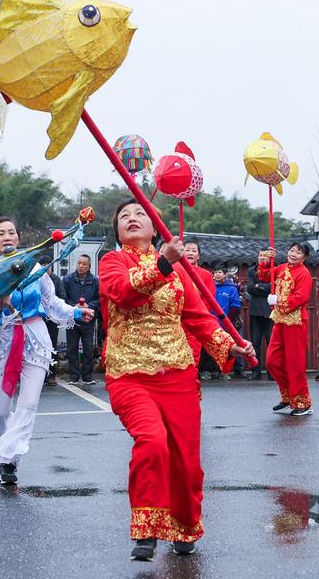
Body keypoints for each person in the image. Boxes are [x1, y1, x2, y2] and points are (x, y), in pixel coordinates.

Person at [99, 199, 254, 560]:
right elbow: (124, 293)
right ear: (117, 231)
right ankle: (146, 529)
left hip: (178, 374)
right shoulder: (112, 263)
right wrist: (164, 263)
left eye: (140, 213)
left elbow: (197, 317)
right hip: (130, 374)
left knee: (186, 461)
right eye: (124, 216)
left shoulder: (180, 270)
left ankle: (184, 527)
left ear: (155, 228)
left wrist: (229, 345)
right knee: (152, 442)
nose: (132, 218)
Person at [0, 217, 94, 485]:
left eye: (11, 232)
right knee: (0, 408)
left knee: (27, 405)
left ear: (18, 237)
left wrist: (76, 311)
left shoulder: (36, 268)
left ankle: (9, 461)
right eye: (1, 233)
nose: (7, 237)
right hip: (4, 338)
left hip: (35, 339)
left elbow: (52, 302)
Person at [259, 243, 314, 416]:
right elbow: (265, 276)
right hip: (280, 320)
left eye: (298, 252)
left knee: (294, 363)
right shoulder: (282, 267)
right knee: (272, 360)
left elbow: (301, 297)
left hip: (296, 322)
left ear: (304, 257)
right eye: (292, 250)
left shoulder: (304, 274)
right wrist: (267, 261)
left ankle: (302, 402)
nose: (293, 254)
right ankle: (289, 395)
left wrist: (278, 301)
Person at [180, 238, 219, 381]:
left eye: (194, 250)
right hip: (174, 320)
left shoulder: (205, 275)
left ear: (199, 256)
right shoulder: (174, 270)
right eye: (187, 250)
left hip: (194, 322)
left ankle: (190, 384)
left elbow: (209, 299)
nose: (190, 253)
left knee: (192, 356)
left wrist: (196, 313)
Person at [62, 253, 99, 384]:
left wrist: (89, 306)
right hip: (72, 319)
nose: (80, 266)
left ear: (89, 266)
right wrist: (74, 306)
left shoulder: (95, 281)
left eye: (84, 264)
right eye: (79, 263)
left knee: (88, 348)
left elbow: (100, 299)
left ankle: (87, 377)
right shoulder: (68, 279)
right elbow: (62, 297)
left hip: (88, 320)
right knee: (72, 348)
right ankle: (74, 377)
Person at [246, 251, 274, 380]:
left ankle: (272, 372)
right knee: (255, 342)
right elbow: (250, 288)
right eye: (260, 256)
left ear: (270, 258)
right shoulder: (252, 270)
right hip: (255, 311)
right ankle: (255, 371)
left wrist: (260, 286)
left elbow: (274, 287)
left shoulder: (274, 270)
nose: (262, 258)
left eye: (265, 256)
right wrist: (266, 288)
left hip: (270, 312)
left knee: (271, 343)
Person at [212, 263, 242, 377]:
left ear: (225, 274)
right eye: (215, 272)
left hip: (227, 322)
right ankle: (211, 370)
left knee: (228, 346)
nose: (217, 274)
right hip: (212, 321)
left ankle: (228, 371)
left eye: (220, 272)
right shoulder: (210, 286)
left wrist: (227, 321)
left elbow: (235, 306)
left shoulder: (232, 288)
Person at [40, 255, 65, 387]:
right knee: (38, 346)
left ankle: (51, 375)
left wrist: (53, 305)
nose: (47, 269)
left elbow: (62, 296)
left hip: (52, 319)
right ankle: (39, 375)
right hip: (38, 318)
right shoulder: (35, 279)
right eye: (44, 266)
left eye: (49, 266)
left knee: (51, 346)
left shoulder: (56, 280)